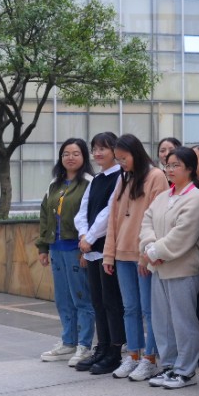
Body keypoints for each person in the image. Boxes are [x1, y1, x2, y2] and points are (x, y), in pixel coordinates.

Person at [140, 145, 199, 389]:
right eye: (167, 165)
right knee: (162, 322)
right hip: (159, 269)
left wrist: (154, 252)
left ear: (190, 168)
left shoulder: (196, 198)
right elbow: (146, 222)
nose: (169, 170)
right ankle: (168, 365)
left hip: (182, 269)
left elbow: (183, 234)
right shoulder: (163, 197)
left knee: (183, 322)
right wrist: (150, 248)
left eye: (175, 165)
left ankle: (186, 370)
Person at [104, 134, 169, 381]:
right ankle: (132, 355)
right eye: (118, 159)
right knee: (130, 308)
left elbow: (159, 220)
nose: (121, 163)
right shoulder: (124, 179)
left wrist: (147, 254)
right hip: (122, 255)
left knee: (149, 309)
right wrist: (109, 254)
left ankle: (150, 359)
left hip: (144, 255)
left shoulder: (156, 176)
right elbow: (113, 220)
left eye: (124, 158)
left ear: (136, 153)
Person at [36, 138, 96, 367]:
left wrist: (87, 249)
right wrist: (43, 247)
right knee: (63, 299)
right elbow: (44, 215)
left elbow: (92, 217)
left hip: (77, 249)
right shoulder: (55, 184)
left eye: (76, 153)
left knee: (82, 298)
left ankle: (84, 345)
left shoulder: (90, 183)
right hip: (56, 248)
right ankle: (68, 342)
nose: (70, 158)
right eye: (66, 154)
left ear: (84, 157)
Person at [76, 133, 125, 375]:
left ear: (115, 150)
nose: (97, 153)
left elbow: (109, 212)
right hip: (91, 248)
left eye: (103, 148)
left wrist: (91, 237)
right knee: (97, 301)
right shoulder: (95, 179)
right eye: (94, 148)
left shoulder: (120, 177)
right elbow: (82, 211)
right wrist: (84, 235)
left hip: (107, 248)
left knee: (111, 302)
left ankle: (115, 351)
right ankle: (102, 347)